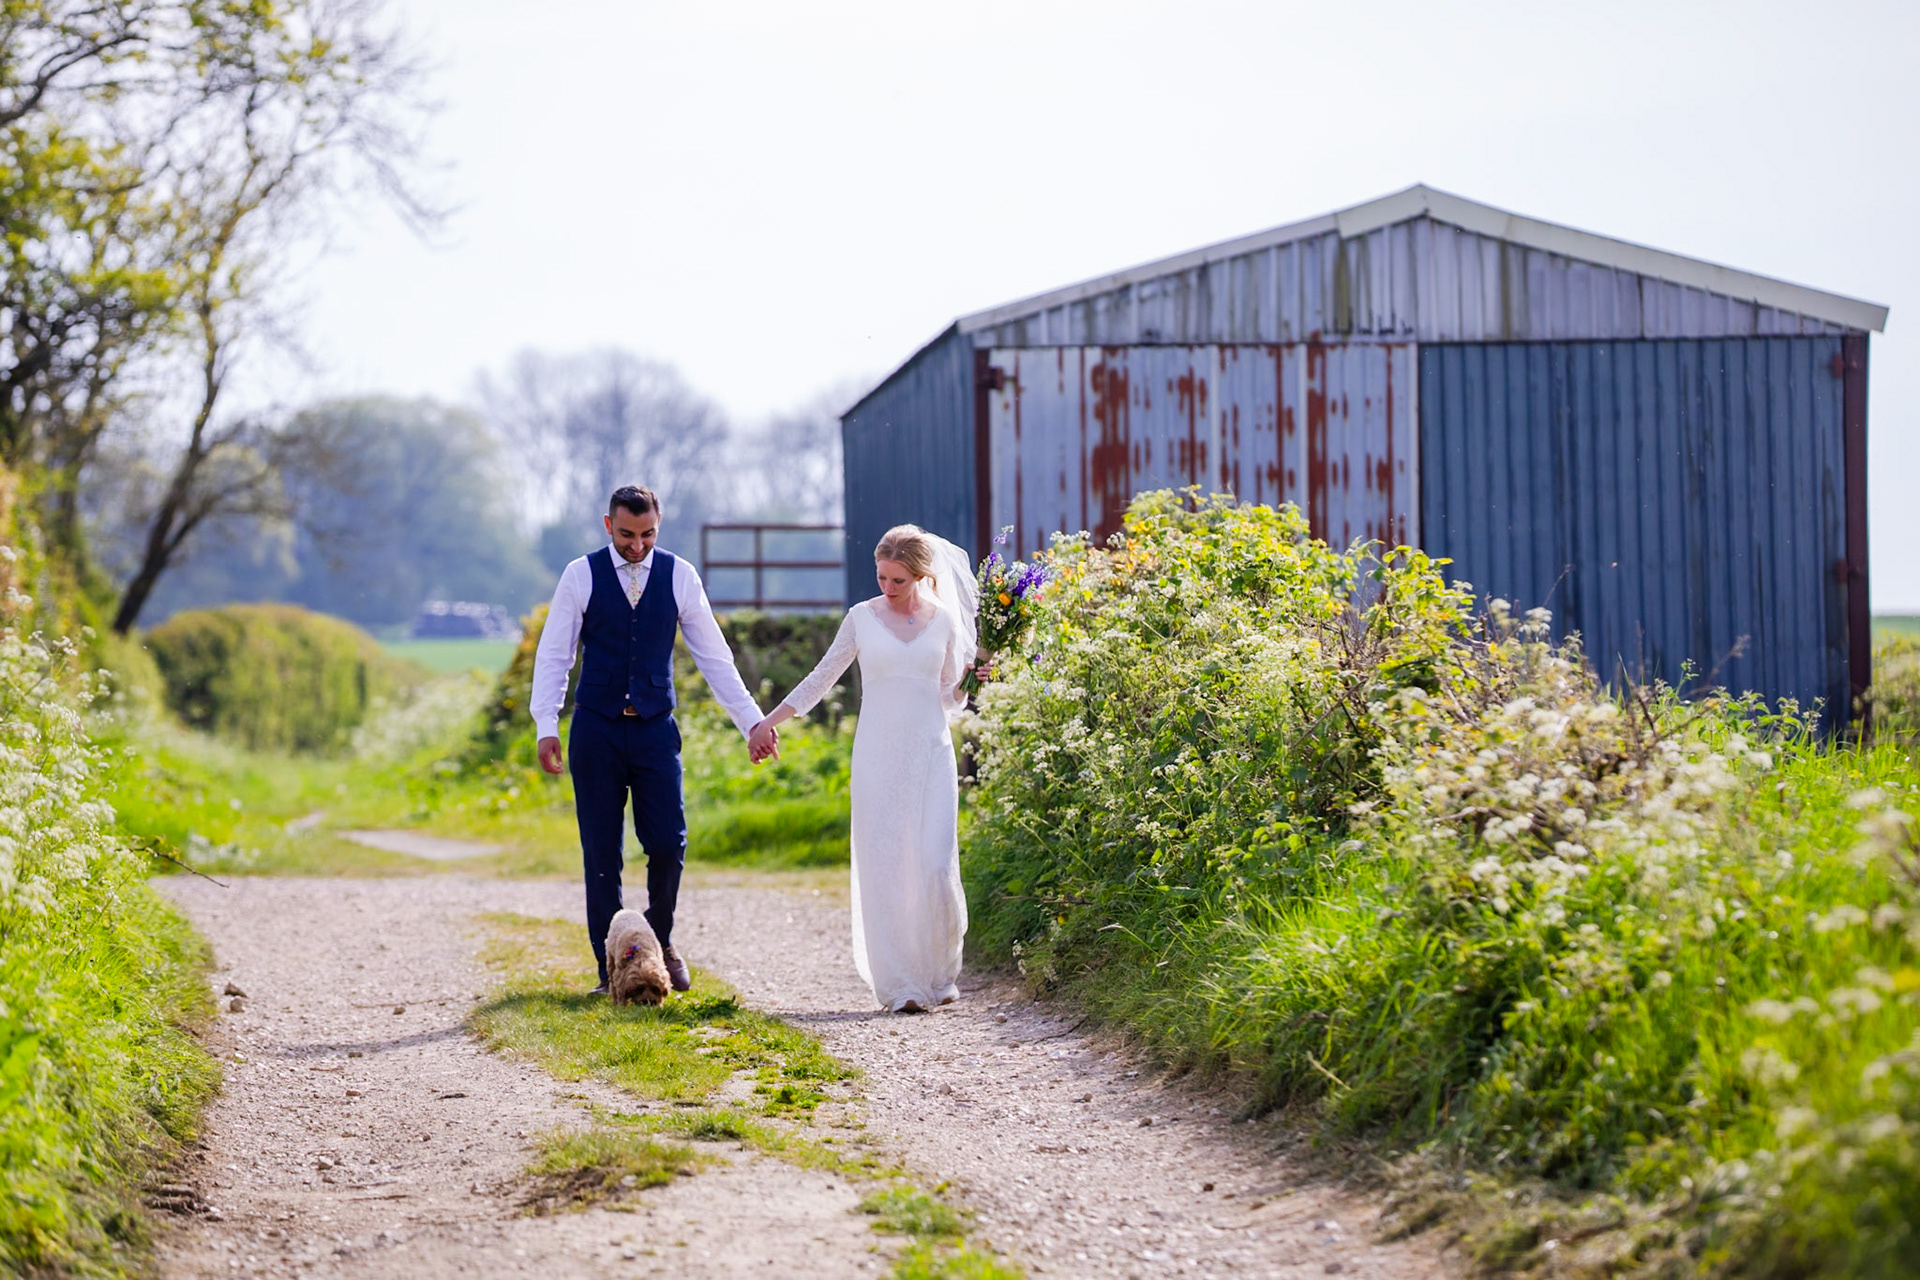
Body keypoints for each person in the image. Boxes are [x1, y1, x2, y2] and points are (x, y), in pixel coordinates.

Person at [531, 485, 773, 995]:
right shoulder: (581, 574)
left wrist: (752, 722)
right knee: (601, 852)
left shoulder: (680, 575)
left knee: (667, 844)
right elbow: (555, 654)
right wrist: (546, 724)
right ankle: (611, 970)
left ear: (658, 526)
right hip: (595, 729)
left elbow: (714, 658)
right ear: (607, 525)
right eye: (626, 535)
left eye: (647, 535)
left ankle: (658, 944)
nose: (637, 546)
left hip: (654, 730)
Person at [748, 524, 978, 1013]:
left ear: (919, 575)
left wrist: (972, 680)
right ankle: (901, 986)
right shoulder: (861, 618)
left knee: (936, 864)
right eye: (881, 578)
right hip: (878, 754)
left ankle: (940, 972)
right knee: (889, 866)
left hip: (931, 753)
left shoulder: (943, 622)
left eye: (897, 580)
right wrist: (767, 720)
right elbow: (821, 678)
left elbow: (948, 696)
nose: (887, 588)